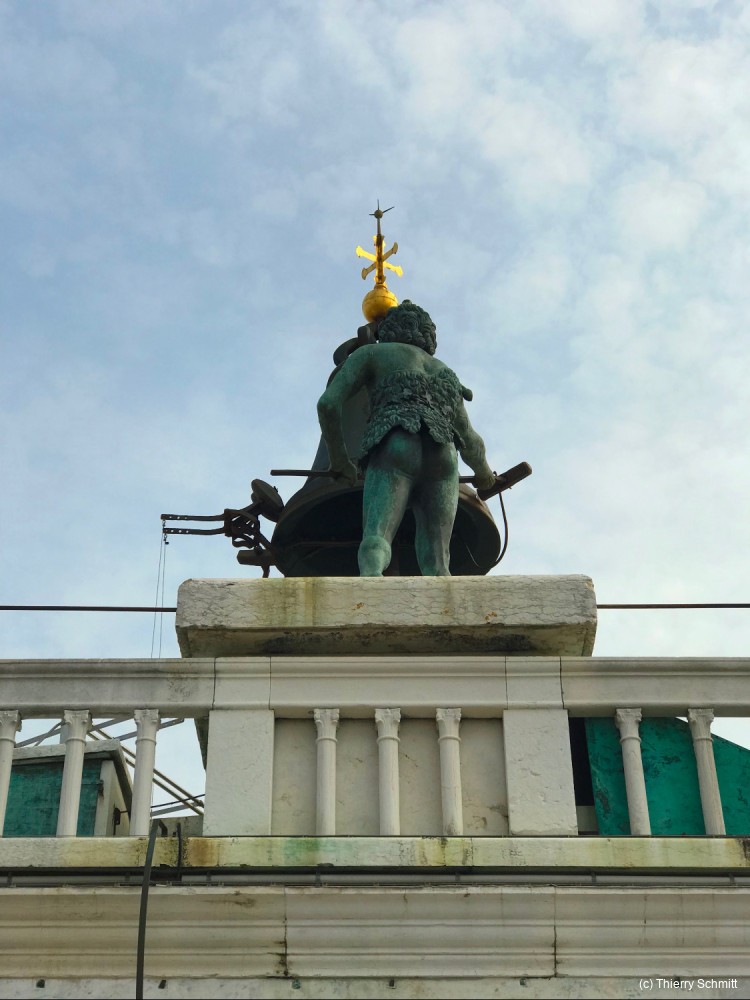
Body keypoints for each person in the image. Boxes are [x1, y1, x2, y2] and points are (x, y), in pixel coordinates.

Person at [317, 301, 496, 576]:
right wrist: (484, 475)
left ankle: (370, 588)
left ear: (388, 330)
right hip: (444, 454)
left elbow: (328, 404)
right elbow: (470, 440)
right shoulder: (446, 373)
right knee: (439, 560)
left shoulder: (371, 353)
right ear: (428, 336)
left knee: (377, 537)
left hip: (396, 441)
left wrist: (340, 460)